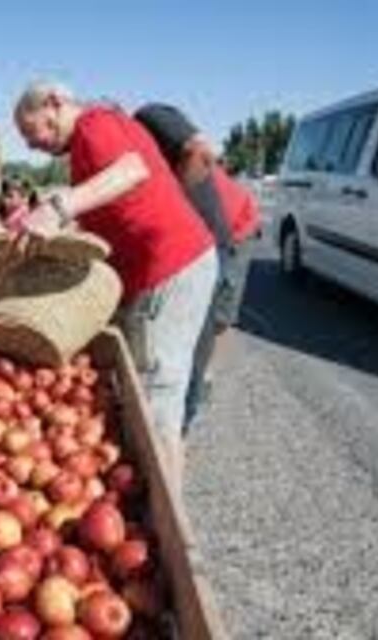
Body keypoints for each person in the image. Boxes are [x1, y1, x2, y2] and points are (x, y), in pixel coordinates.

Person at [13, 81, 218, 498]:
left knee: (156, 397)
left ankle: (166, 519)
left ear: (54, 103)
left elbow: (132, 170)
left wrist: (58, 206)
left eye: (33, 129)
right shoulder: (88, 145)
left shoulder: (94, 123)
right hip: (159, 271)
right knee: (143, 389)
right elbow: (110, 210)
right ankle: (153, 499)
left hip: (170, 267)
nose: (33, 144)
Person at [135, 104, 261, 428]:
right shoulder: (133, 150)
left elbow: (198, 149)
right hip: (200, 232)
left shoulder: (147, 118)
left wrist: (180, 201)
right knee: (194, 321)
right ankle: (190, 391)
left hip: (230, 227)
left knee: (209, 319)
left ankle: (184, 419)